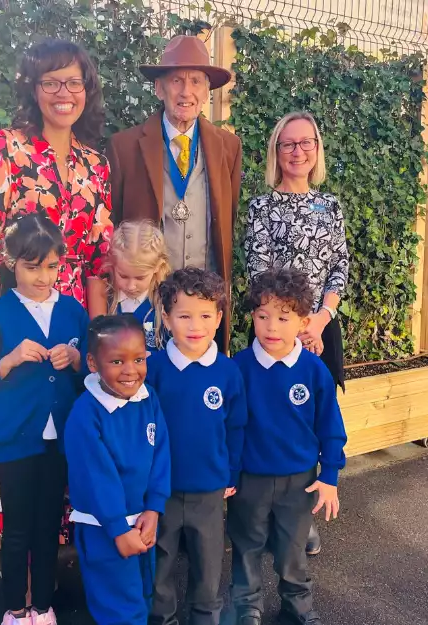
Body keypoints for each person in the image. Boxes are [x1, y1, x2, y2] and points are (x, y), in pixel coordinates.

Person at [0, 39, 112, 548]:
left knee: (69, 417)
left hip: (70, 311)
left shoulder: (96, 164)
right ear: (33, 89)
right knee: (2, 408)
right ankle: (11, 549)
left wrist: (95, 338)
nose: (63, 92)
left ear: (86, 90)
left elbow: (98, 263)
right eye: (50, 81)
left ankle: (60, 540)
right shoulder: (3, 148)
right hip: (10, 307)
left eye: (73, 82)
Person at [0, 213, 88, 625]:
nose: (42, 276)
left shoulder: (73, 311)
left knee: (49, 523)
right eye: (32, 267)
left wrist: (74, 359)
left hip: (59, 439)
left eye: (52, 267)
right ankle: (16, 607)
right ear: (11, 262)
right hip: (14, 439)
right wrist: (9, 360)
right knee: (17, 526)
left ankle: (44, 605)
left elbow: (92, 372)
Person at [243, 111, 350, 556]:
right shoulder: (260, 208)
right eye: (288, 144)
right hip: (275, 330)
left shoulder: (332, 208)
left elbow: (340, 269)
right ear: (276, 151)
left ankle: (302, 517)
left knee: (311, 419)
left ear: (317, 150)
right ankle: (263, 511)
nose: (298, 151)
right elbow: (258, 272)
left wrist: (318, 321)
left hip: (320, 329)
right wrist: (291, 327)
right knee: (270, 418)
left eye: (306, 143)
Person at [107, 35, 242, 351]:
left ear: (207, 91)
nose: (186, 91)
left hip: (202, 306)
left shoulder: (229, 148)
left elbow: (227, 220)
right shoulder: (123, 147)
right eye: (176, 80)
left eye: (196, 81)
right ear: (159, 88)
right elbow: (112, 225)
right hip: (145, 303)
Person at [228, 268, 347, 625]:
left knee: (292, 551)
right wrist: (227, 475)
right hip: (249, 480)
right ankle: (247, 608)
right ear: (252, 317)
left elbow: (331, 427)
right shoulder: (238, 368)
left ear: (303, 322)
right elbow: (227, 428)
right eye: (262, 316)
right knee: (246, 546)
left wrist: (330, 476)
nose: (271, 327)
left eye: (283, 318)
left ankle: (298, 608)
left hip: (300, 482)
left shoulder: (313, 370)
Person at [145, 268, 248, 625]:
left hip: (209, 489)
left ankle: (206, 617)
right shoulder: (153, 368)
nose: (195, 325)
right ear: (167, 317)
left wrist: (232, 472)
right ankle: (162, 617)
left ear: (219, 318)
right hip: (162, 490)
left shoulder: (228, 371)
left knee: (208, 563)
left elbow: (236, 427)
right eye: (184, 315)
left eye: (205, 315)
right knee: (160, 559)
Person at [64, 315, 171, 625]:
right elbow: (96, 478)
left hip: (142, 521)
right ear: (93, 363)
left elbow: (160, 454)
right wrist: (117, 529)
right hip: (105, 529)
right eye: (117, 361)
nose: (130, 370)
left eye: (138, 359)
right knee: (119, 610)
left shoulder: (149, 398)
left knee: (141, 598)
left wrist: (154, 508)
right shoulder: (86, 415)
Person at [107, 221, 171, 352]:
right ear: (112, 264)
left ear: (157, 267)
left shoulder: (165, 303)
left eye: (140, 278)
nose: (131, 286)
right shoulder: (104, 300)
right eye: (123, 276)